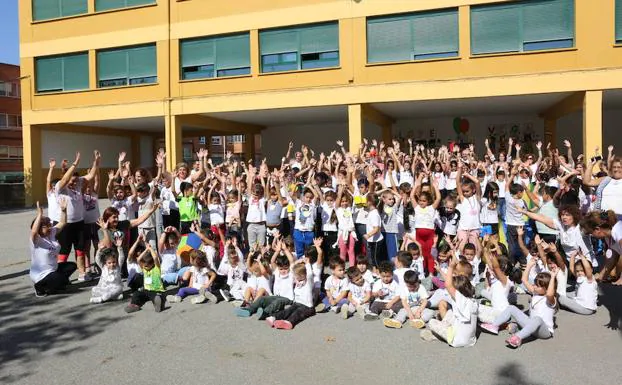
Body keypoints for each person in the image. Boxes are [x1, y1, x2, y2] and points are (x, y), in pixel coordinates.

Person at [481, 259, 557, 348]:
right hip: (531, 328)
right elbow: (524, 280)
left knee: (537, 319)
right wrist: (529, 266)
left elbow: (550, 293)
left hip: (544, 332)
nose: (534, 286)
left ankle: (517, 337)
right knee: (511, 308)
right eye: (535, 284)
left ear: (547, 288)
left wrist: (552, 277)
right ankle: (494, 326)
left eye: (538, 286)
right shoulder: (535, 292)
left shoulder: (551, 299)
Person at [55, 151, 100, 282]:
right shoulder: (60, 187)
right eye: (72, 181)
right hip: (66, 224)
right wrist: (75, 163)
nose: (75, 183)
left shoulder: (78, 183)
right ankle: (61, 277)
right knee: (64, 252)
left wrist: (96, 161)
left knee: (80, 250)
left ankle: (82, 274)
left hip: (79, 223)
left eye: (76, 181)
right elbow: (64, 179)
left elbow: (91, 175)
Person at [421, 262, 478, 347]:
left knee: (432, 322)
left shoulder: (460, 299)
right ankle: (443, 330)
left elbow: (448, 285)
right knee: (451, 312)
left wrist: (451, 267)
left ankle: (438, 335)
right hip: (471, 340)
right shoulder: (473, 301)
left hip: (457, 340)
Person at [30, 199, 77, 297]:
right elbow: (33, 232)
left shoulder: (51, 233)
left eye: (49, 223)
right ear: (39, 228)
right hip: (41, 275)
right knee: (61, 280)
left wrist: (64, 210)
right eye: (46, 225)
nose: (50, 225)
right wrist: (39, 214)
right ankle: (40, 288)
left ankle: (56, 283)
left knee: (71, 266)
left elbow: (62, 222)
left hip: (53, 270)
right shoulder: (36, 240)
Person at [265, 262, 316, 330]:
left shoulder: (308, 282)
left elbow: (309, 273)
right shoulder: (296, 282)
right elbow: (292, 267)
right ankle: (274, 317)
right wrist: (299, 261)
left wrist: (307, 263)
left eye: (296, 275)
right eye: (295, 275)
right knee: (288, 310)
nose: (295, 276)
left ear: (302, 275)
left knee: (297, 312)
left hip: (308, 307)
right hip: (297, 303)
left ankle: (289, 322)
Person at [125, 244, 166, 313]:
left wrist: (150, 249)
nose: (144, 267)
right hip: (146, 290)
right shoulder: (144, 269)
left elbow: (155, 258)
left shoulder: (156, 268)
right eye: (144, 266)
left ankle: (158, 305)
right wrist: (146, 250)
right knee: (136, 293)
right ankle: (134, 305)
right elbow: (138, 260)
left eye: (146, 266)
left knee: (155, 296)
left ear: (152, 263)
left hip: (156, 290)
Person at [90, 236, 125, 304]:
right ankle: (115, 297)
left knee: (117, 290)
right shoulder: (103, 267)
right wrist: (99, 250)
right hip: (104, 288)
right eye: (109, 263)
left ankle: (101, 299)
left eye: (114, 262)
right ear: (105, 263)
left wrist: (119, 248)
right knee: (94, 290)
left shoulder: (118, 267)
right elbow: (97, 259)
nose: (112, 264)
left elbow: (121, 258)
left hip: (115, 288)